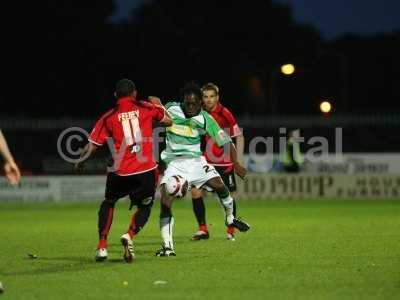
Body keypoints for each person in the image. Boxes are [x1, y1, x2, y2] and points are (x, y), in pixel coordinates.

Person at [74, 79, 172, 262]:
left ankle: (102, 246)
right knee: (145, 206)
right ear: (134, 93)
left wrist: (80, 161)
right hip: (145, 170)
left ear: (115, 95)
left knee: (109, 202)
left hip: (120, 171)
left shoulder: (108, 116)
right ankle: (129, 235)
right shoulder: (146, 107)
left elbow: (93, 145)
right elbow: (169, 121)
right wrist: (159, 105)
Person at [156, 82, 250, 257]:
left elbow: (227, 141)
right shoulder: (171, 108)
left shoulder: (206, 118)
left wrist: (236, 163)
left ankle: (230, 218)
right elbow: (154, 104)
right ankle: (168, 247)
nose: (190, 107)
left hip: (197, 162)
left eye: (194, 103)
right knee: (166, 201)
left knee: (220, 186)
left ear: (200, 102)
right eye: (187, 103)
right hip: (175, 164)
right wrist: (155, 103)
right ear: (183, 100)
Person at [191, 83, 244, 241]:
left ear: (217, 97)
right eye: (205, 97)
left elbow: (239, 136)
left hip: (225, 163)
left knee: (227, 197)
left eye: (211, 96)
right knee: (196, 191)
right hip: (207, 162)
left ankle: (230, 230)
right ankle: (203, 229)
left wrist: (238, 161)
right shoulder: (199, 113)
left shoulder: (224, 113)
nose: (208, 100)